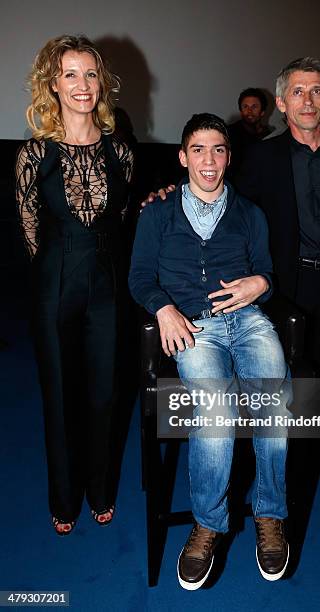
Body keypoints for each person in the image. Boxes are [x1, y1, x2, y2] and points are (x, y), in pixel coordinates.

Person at [129, 113, 291, 589]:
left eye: (218, 149)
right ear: (182, 157)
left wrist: (261, 283)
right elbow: (139, 277)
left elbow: (266, 273)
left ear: (228, 157)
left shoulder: (249, 214)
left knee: (273, 404)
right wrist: (162, 309)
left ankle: (270, 515)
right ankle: (208, 523)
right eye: (198, 149)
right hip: (193, 326)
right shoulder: (158, 212)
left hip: (247, 321)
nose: (208, 158)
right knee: (215, 409)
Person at [234, 57, 320, 490]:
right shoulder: (260, 158)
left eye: (316, 91)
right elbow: (233, 215)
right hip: (282, 286)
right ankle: (272, 461)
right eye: (297, 91)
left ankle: (317, 456)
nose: (307, 100)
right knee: (275, 378)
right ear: (281, 102)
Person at [16, 35, 133, 535]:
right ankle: (64, 499)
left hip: (108, 288)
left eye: (90, 74)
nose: (82, 85)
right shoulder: (32, 155)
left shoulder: (121, 152)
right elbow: (30, 233)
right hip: (54, 286)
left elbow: (121, 222)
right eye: (70, 74)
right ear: (52, 84)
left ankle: (100, 489)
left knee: (105, 394)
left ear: (101, 83)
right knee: (60, 396)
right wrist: (59, 274)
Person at [228, 88, 272, 173]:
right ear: (240, 111)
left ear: (262, 111)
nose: (249, 111)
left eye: (254, 107)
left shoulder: (269, 135)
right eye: (245, 106)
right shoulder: (230, 133)